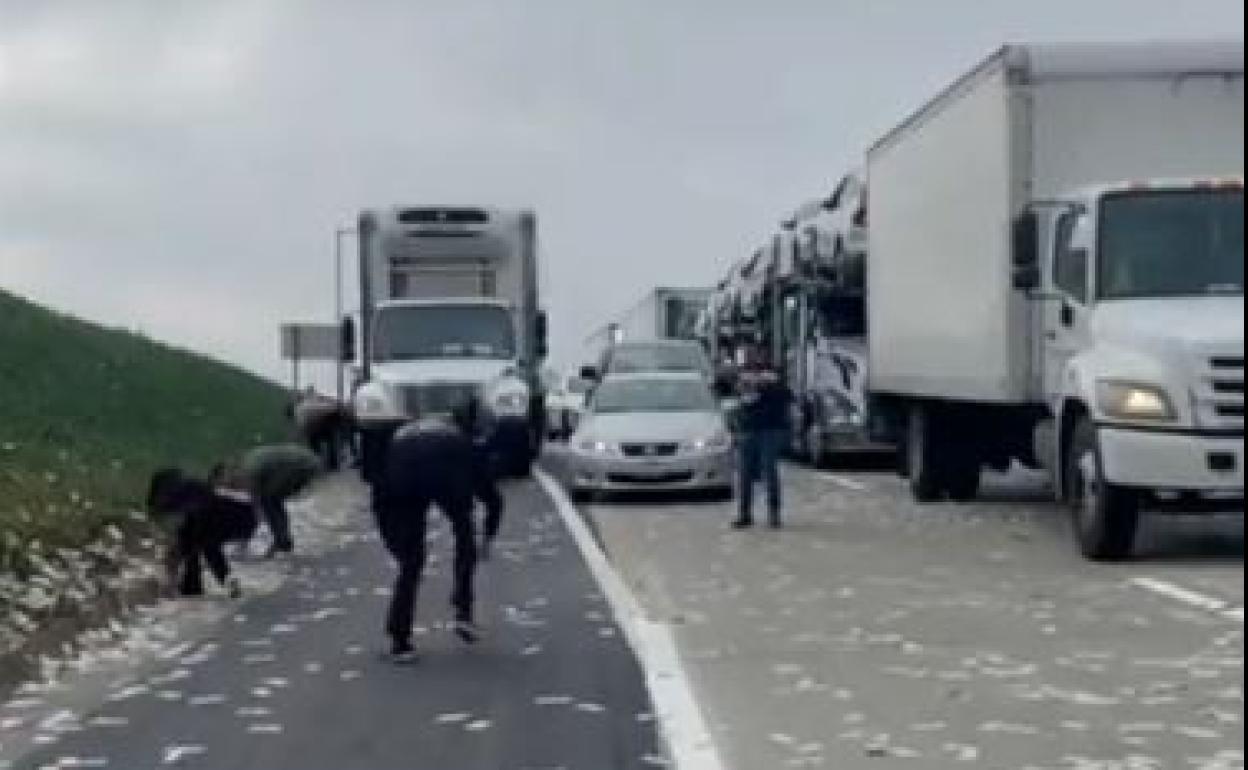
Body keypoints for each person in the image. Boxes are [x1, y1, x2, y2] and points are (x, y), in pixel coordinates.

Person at [371, 400, 501, 663]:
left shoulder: (415, 429)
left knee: (410, 563)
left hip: (395, 482)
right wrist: (487, 537)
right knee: (465, 534)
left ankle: (400, 640)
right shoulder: (465, 445)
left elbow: (375, 476)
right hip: (437, 476)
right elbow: (493, 499)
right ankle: (463, 611)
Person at [146, 468, 257, 598]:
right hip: (238, 515)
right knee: (198, 545)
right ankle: (198, 587)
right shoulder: (192, 494)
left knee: (201, 545)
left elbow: (185, 542)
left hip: (234, 518)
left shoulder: (189, 499)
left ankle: (193, 588)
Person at [733, 349, 793, 530]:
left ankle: (773, 514)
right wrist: (747, 386)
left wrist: (767, 384)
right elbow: (740, 398)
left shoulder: (775, 380)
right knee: (745, 474)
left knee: (769, 471)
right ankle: (744, 513)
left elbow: (786, 397)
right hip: (749, 429)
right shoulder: (744, 378)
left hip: (770, 429)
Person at [237, 443, 323, 557]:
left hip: (301, 465)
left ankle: (282, 541)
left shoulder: (251, 472)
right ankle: (283, 539)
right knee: (272, 501)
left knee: (269, 500)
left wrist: (244, 540)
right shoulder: (251, 461)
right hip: (308, 461)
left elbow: (255, 507)